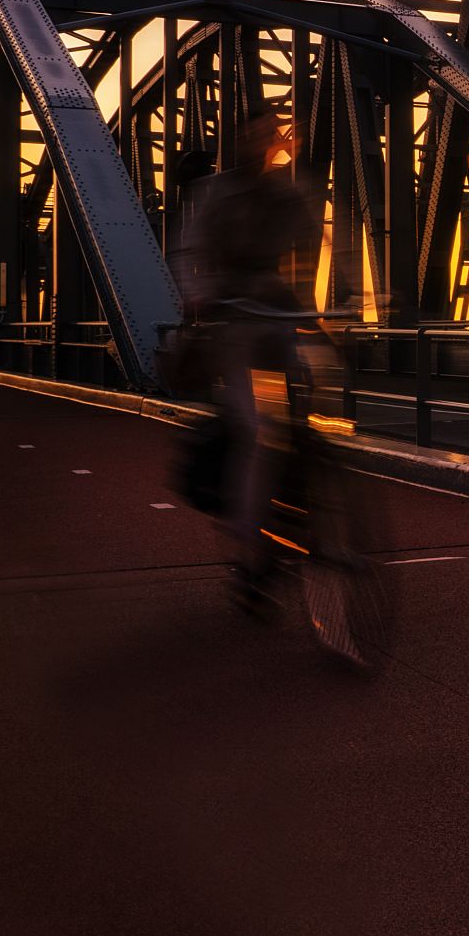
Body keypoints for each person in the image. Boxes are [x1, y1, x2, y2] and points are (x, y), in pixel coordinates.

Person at [171, 115, 320, 608]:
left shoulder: (286, 194)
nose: (264, 143)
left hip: (273, 308)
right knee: (256, 429)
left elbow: (320, 242)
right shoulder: (214, 193)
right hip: (230, 317)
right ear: (240, 140)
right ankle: (248, 537)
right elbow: (188, 252)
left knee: (302, 403)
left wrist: (359, 296)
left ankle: (301, 488)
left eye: (271, 135)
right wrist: (197, 294)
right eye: (254, 134)